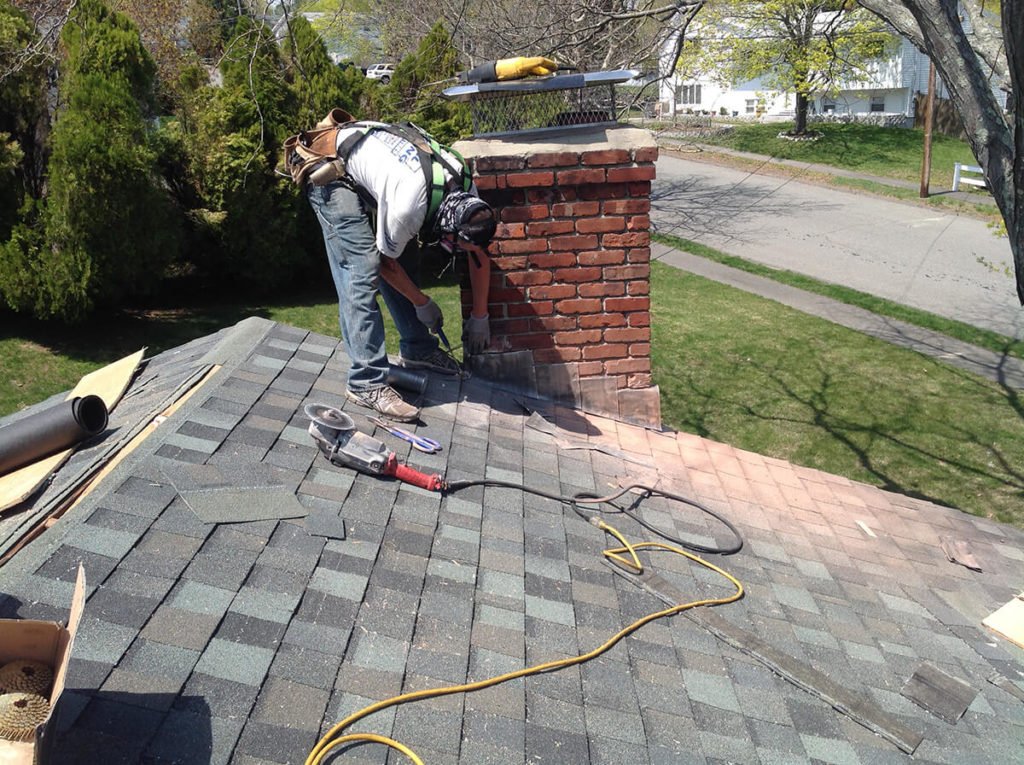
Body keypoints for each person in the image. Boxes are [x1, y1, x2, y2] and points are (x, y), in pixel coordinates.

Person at [304, 118, 497, 423]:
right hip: (330, 169)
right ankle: (365, 381)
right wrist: (422, 302)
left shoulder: (468, 194)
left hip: (374, 162)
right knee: (361, 270)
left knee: (402, 257)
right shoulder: (411, 207)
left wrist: (480, 317)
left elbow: (479, 256)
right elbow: (384, 264)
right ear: (446, 228)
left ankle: (418, 349)